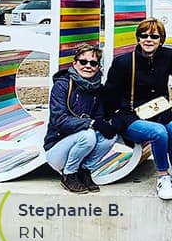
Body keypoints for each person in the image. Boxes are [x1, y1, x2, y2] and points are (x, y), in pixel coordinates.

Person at [104, 18, 172, 200]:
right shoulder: (123, 62)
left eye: (154, 36)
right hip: (130, 117)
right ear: (138, 38)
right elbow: (109, 94)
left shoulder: (168, 56)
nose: (148, 39)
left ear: (161, 39)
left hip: (158, 112)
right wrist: (110, 119)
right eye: (144, 35)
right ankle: (163, 176)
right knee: (159, 132)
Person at [43, 43, 117, 194]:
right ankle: (69, 175)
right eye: (83, 62)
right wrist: (91, 123)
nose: (88, 66)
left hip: (81, 149)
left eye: (93, 63)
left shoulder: (97, 89)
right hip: (57, 149)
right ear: (74, 63)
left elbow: (99, 117)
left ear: (98, 67)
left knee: (109, 136)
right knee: (88, 135)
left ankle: (84, 171)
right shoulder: (62, 85)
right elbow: (59, 120)